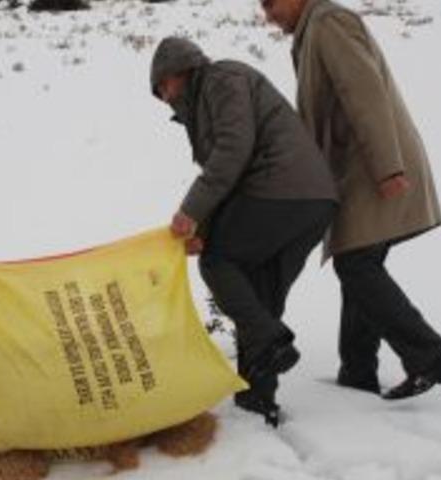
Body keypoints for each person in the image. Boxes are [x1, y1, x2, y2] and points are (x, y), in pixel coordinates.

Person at [261, 0, 441, 399]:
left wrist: (388, 167)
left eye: (270, 2)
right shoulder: (311, 31)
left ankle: (429, 357)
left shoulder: (330, 22)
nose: (267, 13)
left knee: (356, 265)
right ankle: (357, 373)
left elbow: (364, 93)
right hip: (356, 169)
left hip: (370, 167)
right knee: (357, 262)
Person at [150, 37, 337, 426]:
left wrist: (191, 214)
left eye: (161, 88)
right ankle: (257, 400)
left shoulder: (222, 78)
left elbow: (234, 151)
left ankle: (272, 341)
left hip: (281, 190)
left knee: (218, 262)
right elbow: (230, 172)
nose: (163, 98)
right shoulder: (204, 101)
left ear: (176, 71)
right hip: (312, 202)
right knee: (259, 295)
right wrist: (204, 226)